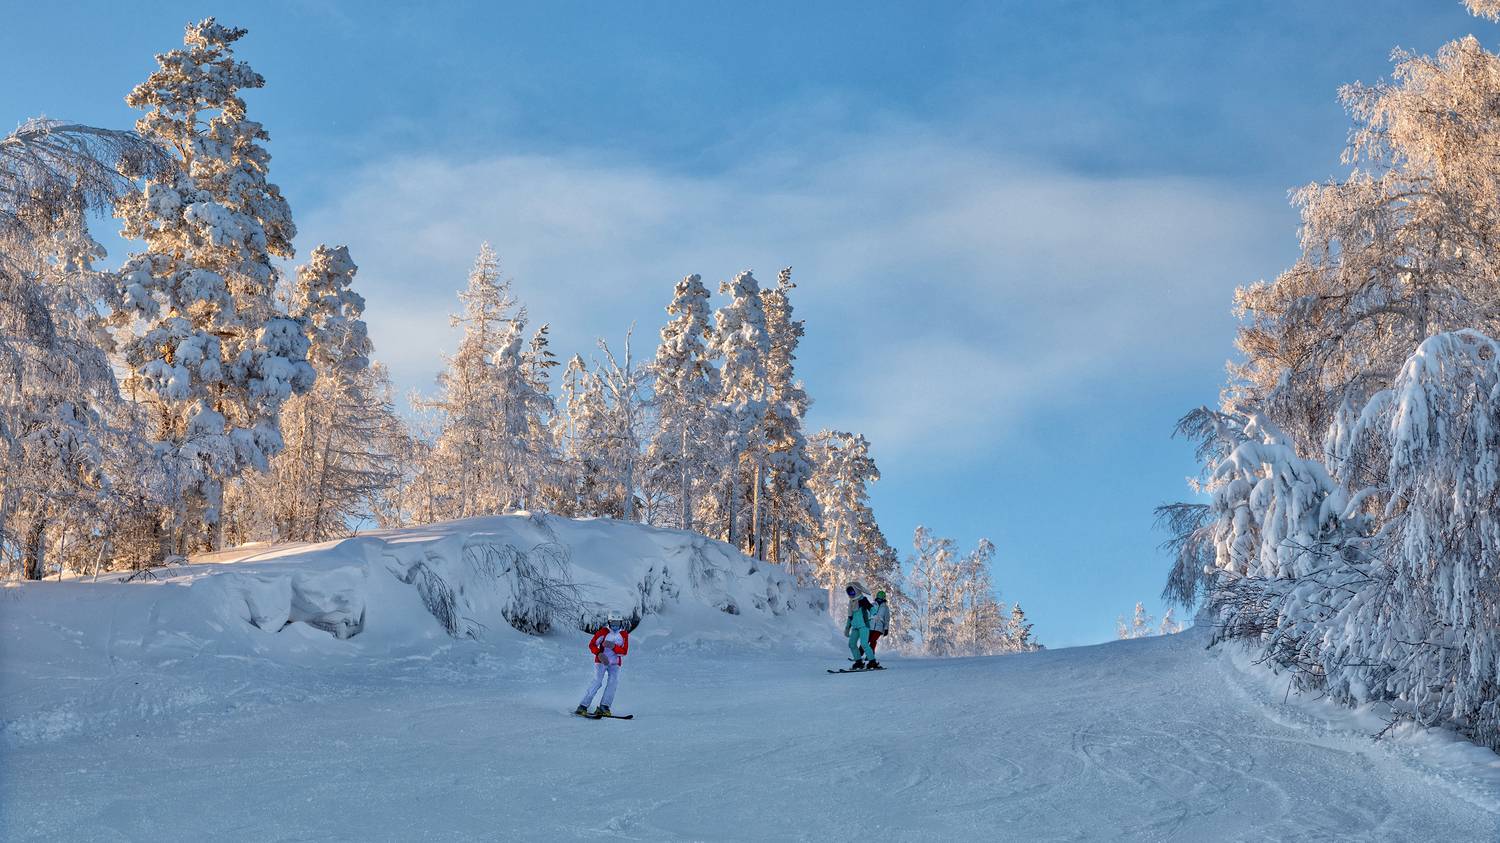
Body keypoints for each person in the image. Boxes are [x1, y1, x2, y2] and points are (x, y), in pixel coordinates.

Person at [575, 611, 629, 717]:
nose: (615, 626)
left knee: (613, 683)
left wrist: (613, 646)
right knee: (597, 682)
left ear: (621, 623)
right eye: (613, 623)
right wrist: (599, 654)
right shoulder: (603, 632)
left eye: (617, 623)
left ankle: (604, 707)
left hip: (615, 663)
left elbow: (624, 652)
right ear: (608, 622)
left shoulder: (623, 634)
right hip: (601, 661)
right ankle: (582, 706)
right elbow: (592, 645)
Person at [843, 584, 874, 670]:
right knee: (851, 644)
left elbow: (870, 607)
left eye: (852, 591)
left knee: (864, 644)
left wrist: (873, 613)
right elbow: (850, 617)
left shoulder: (862, 600)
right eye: (849, 592)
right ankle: (859, 662)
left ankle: (872, 662)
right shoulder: (851, 603)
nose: (851, 594)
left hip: (864, 625)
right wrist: (847, 629)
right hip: (855, 627)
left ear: (856, 591)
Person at [866, 590, 890, 668]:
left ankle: (871, 656)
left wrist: (886, 629)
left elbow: (887, 619)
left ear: (884, 598)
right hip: (871, 625)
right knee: (867, 640)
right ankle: (867, 655)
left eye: (881, 598)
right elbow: (868, 614)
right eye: (878, 597)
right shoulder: (872, 605)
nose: (879, 599)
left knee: (873, 640)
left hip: (879, 627)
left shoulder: (885, 608)